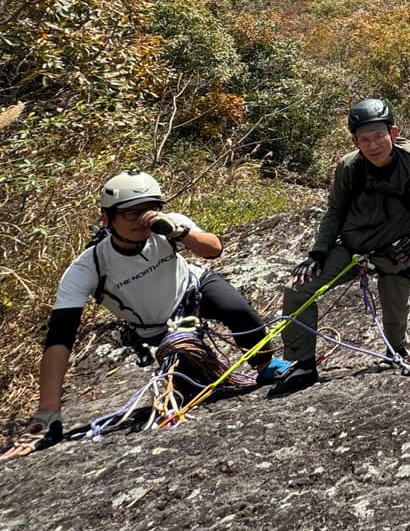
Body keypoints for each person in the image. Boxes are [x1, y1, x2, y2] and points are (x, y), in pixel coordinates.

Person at [2, 170, 289, 459]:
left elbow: (213, 249)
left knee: (236, 309)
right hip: (156, 328)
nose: (142, 220)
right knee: (190, 385)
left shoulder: (168, 227)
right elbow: (60, 338)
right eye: (130, 213)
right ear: (106, 218)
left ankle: (265, 364)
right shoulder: (88, 268)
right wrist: (47, 415)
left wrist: (180, 233)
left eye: (148, 210)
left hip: (194, 290)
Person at [272, 97, 410, 396]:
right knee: (297, 289)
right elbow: (335, 211)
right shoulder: (350, 167)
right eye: (364, 139)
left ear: (393, 133)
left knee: (395, 315)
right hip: (352, 248)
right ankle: (302, 364)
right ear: (355, 142)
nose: (373, 145)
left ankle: (396, 350)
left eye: (379, 136)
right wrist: (318, 253)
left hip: (394, 250)